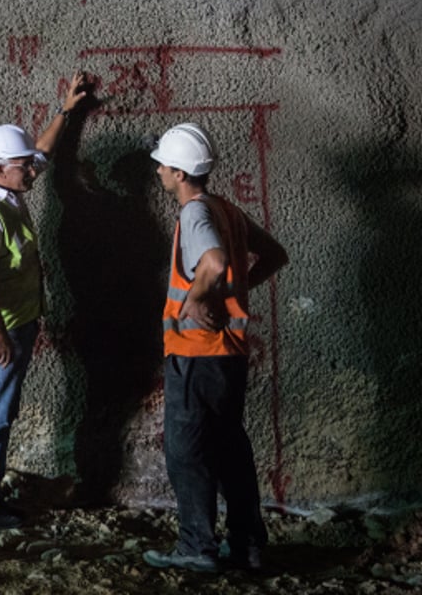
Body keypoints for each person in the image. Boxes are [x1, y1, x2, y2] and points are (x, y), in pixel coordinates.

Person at [141, 122, 288, 572]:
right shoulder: (227, 210)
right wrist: (229, 294)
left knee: (187, 451)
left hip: (197, 352)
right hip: (230, 354)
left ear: (180, 173)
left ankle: (195, 548)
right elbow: (275, 255)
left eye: (163, 165)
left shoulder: (194, 214)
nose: (159, 171)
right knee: (229, 449)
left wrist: (200, 298)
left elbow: (216, 260)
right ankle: (247, 545)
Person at [0, 71, 90, 529]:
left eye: (30, 165)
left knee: (2, 408)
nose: (33, 170)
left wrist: (66, 111)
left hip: (19, 320)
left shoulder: (9, 184)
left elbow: (45, 151)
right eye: (23, 166)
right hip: (2, 326)